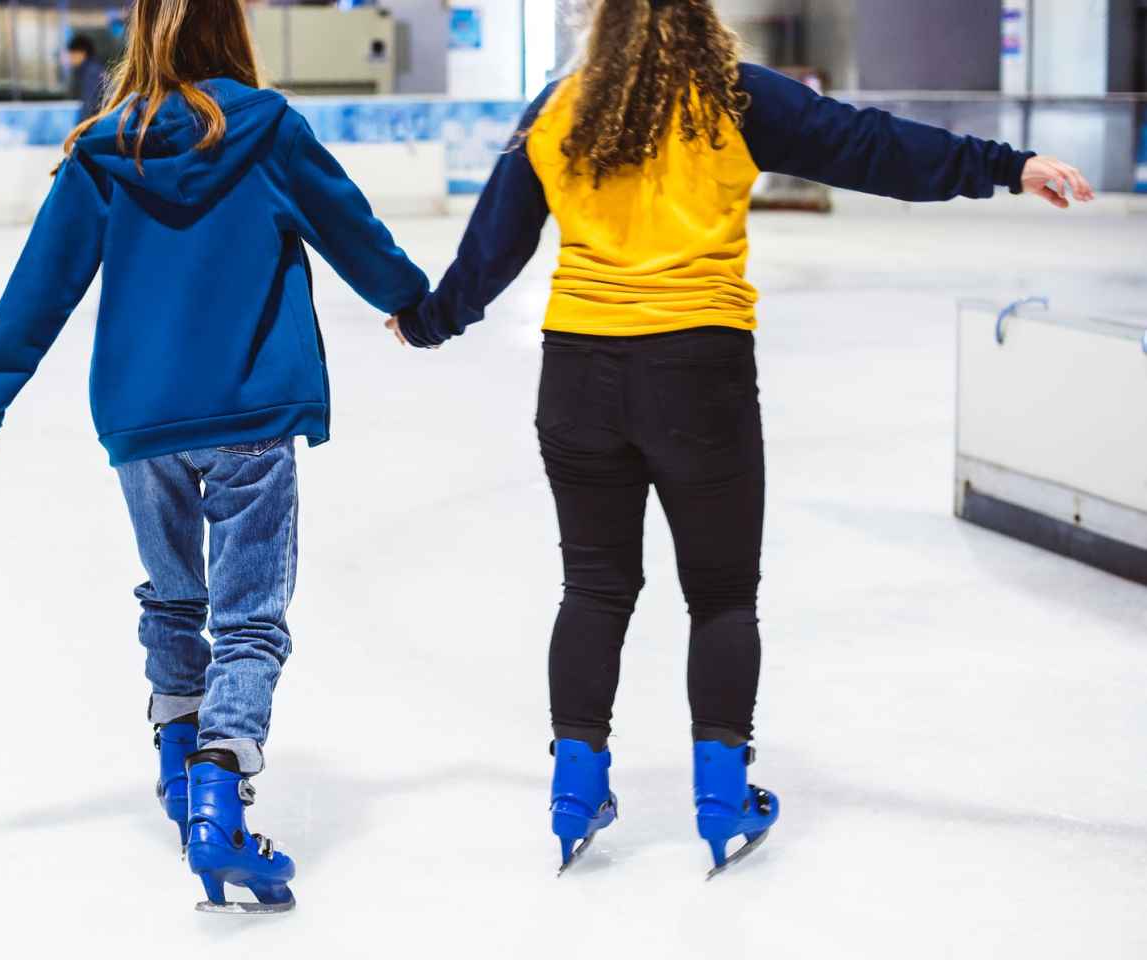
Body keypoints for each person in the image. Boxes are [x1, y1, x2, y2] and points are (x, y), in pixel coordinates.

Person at [390, 0, 1092, 879]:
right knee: (721, 597)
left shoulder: (558, 107)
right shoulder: (732, 96)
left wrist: (429, 322)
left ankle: (576, 792)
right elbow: (869, 146)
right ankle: (722, 798)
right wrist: (1007, 166)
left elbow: (492, 249)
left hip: (579, 378)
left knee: (595, 587)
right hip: (699, 376)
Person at [0, 0, 427, 913]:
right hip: (250, 409)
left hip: (143, 419)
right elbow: (351, 231)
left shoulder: (105, 148)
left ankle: (178, 767)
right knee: (249, 617)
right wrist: (414, 303)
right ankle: (220, 790)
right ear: (232, 30)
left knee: (174, 595)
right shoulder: (269, 129)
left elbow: (40, 285)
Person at [65, 34, 107, 122]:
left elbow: (90, 103)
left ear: (82, 53)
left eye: (72, 54)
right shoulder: (90, 69)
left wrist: (81, 127)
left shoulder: (92, 72)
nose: (70, 59)